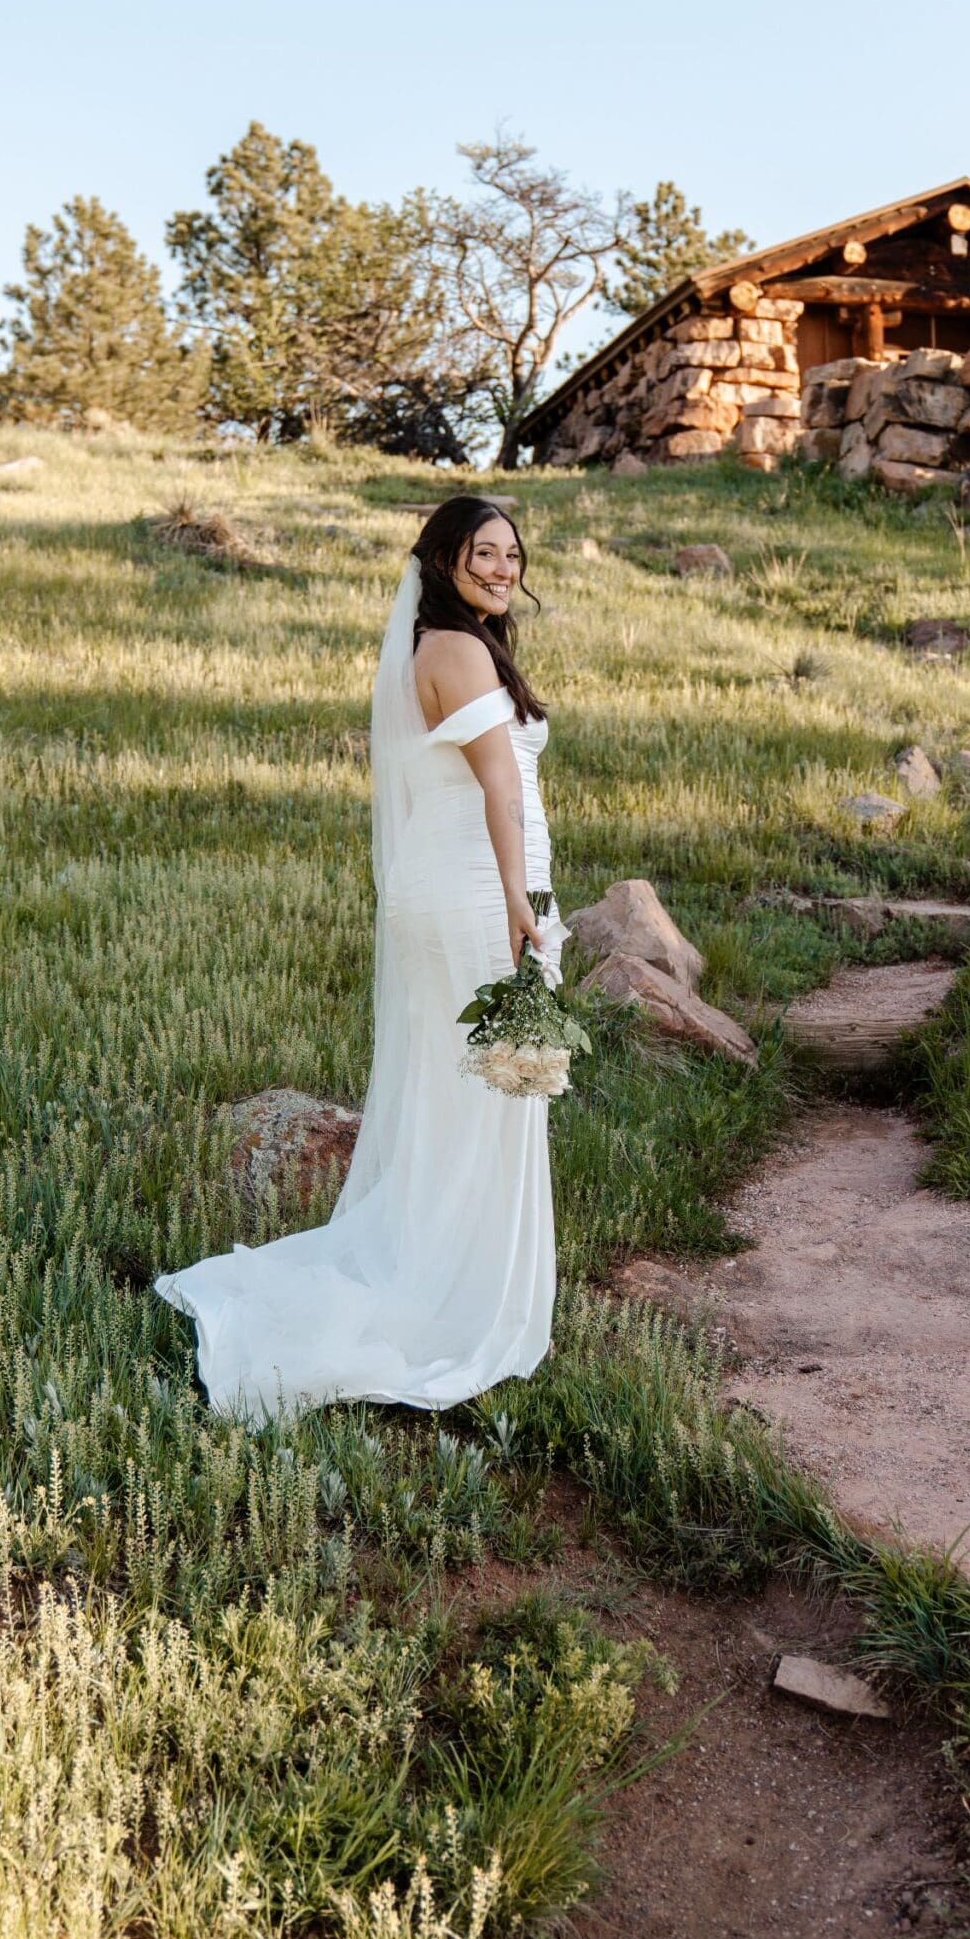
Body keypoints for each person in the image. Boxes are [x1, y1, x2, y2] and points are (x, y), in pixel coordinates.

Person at [155, 497, 564, 1422]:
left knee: (466, 1097)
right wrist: (518, 900)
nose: (503, 569)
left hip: (460, 883)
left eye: (512, 554)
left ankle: (448, 1271)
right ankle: (457, 1298)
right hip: (478, 891)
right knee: (492, 1097)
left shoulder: (446, 646)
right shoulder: (456, 652)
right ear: (443, 560)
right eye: (484, 553)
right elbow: (500, 783)